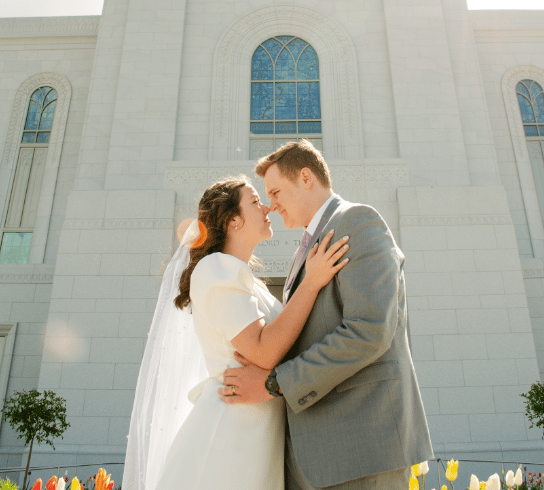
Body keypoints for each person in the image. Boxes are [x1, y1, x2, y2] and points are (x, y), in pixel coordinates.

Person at [220, 140, 434, 490]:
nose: (270, 206)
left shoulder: (358, 221)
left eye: (275, 192)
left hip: (361, 447)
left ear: (306, 177)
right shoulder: (308, 246)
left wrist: (275, 383)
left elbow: (368, 331)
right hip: (318, 451)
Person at [122, 175, 350, 490]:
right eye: (255, 202)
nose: (268, 207)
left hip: (257, 429)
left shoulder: (246, 280)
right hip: (230, 433)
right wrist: (311, 283)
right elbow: (265, 350)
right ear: (233, 221)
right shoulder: (217, 269)